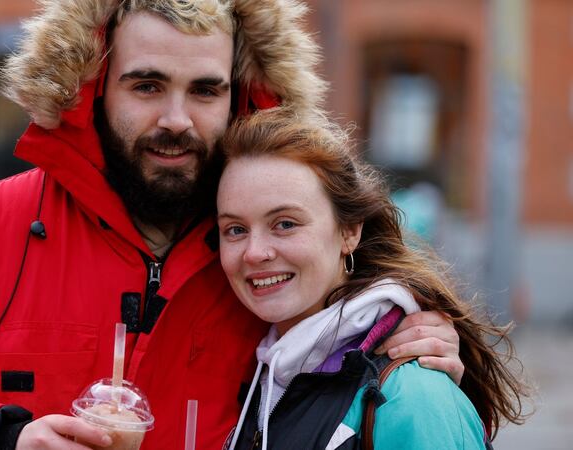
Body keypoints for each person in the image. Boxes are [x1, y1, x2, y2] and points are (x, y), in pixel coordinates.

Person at [0, 1, 464, 449]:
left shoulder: (266, 262)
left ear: (240, 97)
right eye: (147, 86)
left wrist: (410, 349)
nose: (176, 119)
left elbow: (362, 343)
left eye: (204, 90)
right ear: (94, 88)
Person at [216, 108, 529, 449]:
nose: (254, 253)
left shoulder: (413, 396)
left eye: (285, 224)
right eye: (235, 229)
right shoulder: (258, 370)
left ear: (349, 231)